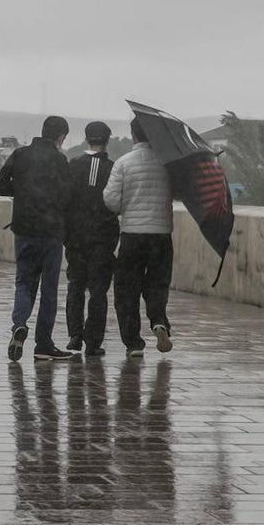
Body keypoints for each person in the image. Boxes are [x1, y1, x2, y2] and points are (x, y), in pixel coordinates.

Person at [0, 115, 74, 362]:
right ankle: (43, 344)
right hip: (51, 232)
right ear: (60, 136)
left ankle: (19, 324)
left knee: (24, 281)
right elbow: (68, 196)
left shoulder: (20, 155)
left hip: (25, 229)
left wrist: (21, 192)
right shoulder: (60, 160)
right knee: (49, 289)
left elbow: (0, 187)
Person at [103, 117, 175, 357]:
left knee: (126, 288)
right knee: (157, 283)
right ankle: (158, 321)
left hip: (132, 235)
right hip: (161, 234)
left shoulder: (123, 163)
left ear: (133, 135)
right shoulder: (167, 163)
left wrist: (128, 205)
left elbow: (111, 201)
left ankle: (133, 342)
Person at [63, 121, 120, 357]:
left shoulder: (73, 165)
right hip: (103, 238)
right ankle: (93, 341)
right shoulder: (113, 168)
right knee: (98, 290)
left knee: (75, 285)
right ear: (107, 141)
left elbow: (65, 199)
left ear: (87, 139)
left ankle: (74, 336)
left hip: (75, 237)